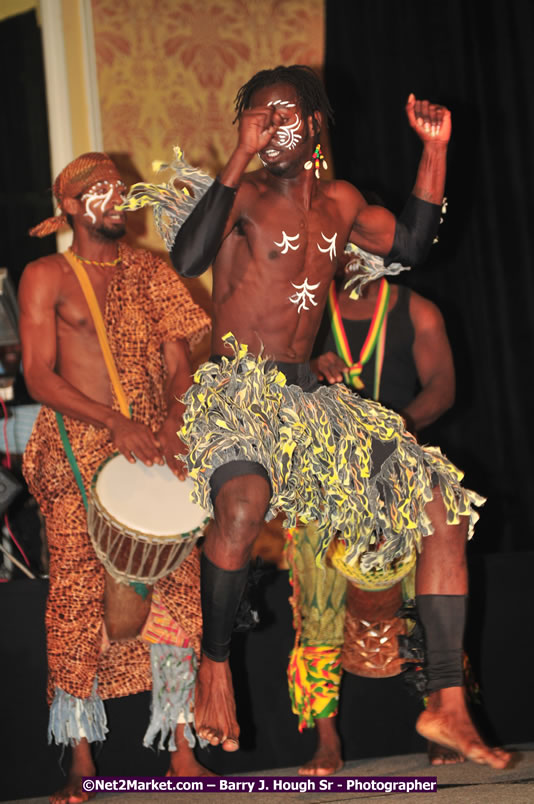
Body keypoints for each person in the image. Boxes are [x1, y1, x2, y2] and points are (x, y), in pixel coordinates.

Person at [123, 64, 510, 769]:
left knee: (441, 505)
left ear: (315, 124)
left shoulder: (342, 201)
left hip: (311, 399)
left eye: (285, 115)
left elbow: (416, 245)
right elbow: (189, 254)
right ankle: (214, 667)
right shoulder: (238, 192)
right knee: (243, 503)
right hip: (239, 392)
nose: (273, 127)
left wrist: (435, 150)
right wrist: (237, 156)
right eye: (259, 116)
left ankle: (448, 701)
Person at [19, 152, 211, 803]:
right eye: (95, 190)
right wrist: (113, 423)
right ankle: (80, 758)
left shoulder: (152, 274)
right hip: (76, 450)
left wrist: (176, 422)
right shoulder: (45, 275)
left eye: (116, 188)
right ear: (69, 206)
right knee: (75, 600)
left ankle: (183, 750)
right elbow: (40, 376)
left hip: (153, 452)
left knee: (179, 596)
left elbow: (180, 367)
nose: (113, 198)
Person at [287, 259, 460, 775]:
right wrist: (306, 368)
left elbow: (443, 387)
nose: (360, 259)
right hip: (324, 475)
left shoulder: (417, 310)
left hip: (401, 469)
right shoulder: (307, 309)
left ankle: (439, 714)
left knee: (427, 601)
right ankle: (326, 740)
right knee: (317, 608)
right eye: (350, 247)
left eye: (372, 249)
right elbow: (266, 379)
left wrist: (392, 429)